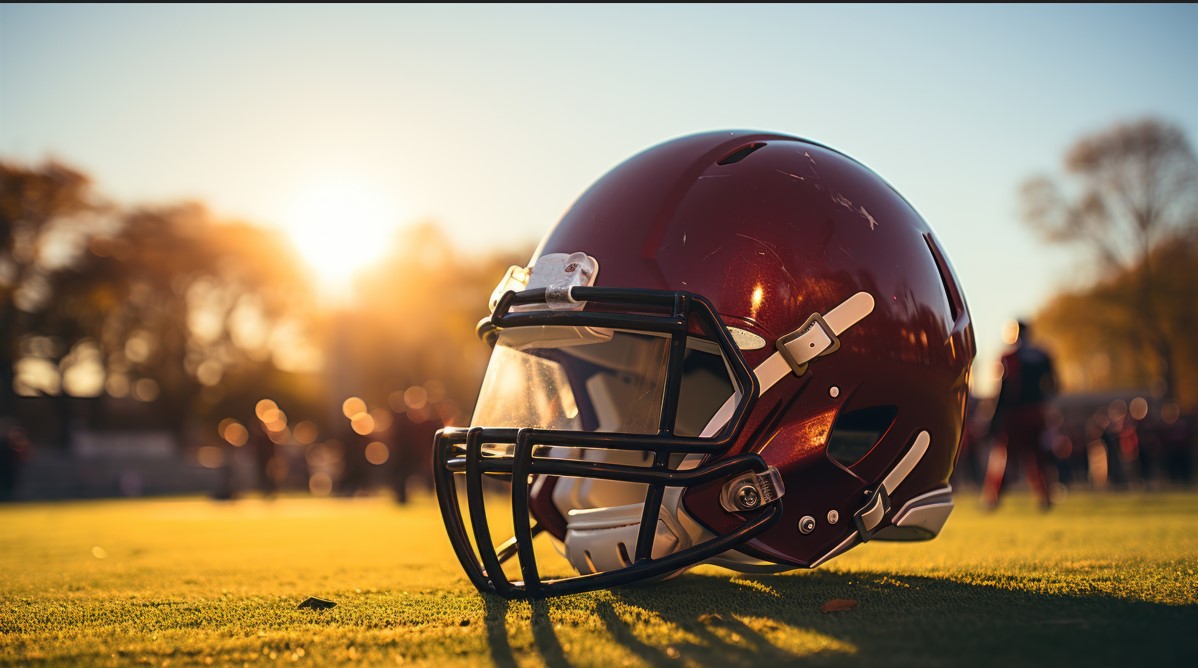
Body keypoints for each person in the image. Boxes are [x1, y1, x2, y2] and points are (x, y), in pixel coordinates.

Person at [983, 319, 1058, 510]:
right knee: (1038, 457)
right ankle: (1046, 496)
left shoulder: (1009, 357)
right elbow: (1054, 385)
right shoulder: (1042, 355)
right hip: (1036, 412)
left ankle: (993, 498)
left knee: (1004, 456)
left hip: (1015, 415)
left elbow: (1004, 390)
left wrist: (993, 419)